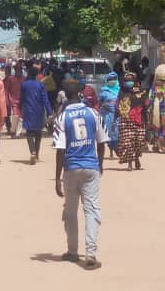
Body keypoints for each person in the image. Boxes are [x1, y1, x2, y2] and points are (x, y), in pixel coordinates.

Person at [54, 78, 109, 269]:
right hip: (91, 167)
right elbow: (102, 141)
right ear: (80, 92)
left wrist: (57, 179)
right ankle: (91, 253)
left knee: (70, 211)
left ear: (64, 95)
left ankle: (72, 251)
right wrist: (99, 164)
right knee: (92, 209)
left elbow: (60, 150)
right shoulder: (93, 113)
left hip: (71, 168)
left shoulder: (62, 117)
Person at [115, 72, 148, 171]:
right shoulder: (121, 92)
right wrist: (115, 117)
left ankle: (137, 157)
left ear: (135, 81)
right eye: (127, 80)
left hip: (139, 120)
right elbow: (117, 105)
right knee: (128, 142)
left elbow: (146, 105)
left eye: (131, 80)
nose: (129, 82)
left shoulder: (141, 92)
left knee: (139, 141)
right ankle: (130, 163)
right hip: (125, 120)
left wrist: (147, 119)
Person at [22, 66, 54, 165]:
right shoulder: (40, 85)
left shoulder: (24, 85)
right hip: (38, 111)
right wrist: (49, 112)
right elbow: (45, 99)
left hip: (28, 110)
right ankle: (37, 155)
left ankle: (32, 152)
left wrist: (19, 109)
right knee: (38, 133)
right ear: (36, 75)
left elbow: (21, 98)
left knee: (29, 132)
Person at [98, 73, 120, 159]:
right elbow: (100, 103)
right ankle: (113, 149)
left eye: (114, 79)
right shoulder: (104, 91)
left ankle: (117, 148)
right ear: (107, 81)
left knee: (118, 133)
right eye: (110, 79)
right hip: (108, 115)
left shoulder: (120, 90)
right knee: (110, 133)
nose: (112, 81)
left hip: (118, 115)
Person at [3, 65, 24, 139]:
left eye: (20, 70)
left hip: (23, 100)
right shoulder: (11, 79)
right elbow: (7, 90)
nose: (19, 72)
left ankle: (17, 133)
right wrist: (7, 100)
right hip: (14, 100)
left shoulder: (24, 79)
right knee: (15, 116)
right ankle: (12, 130)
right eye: (18, 70)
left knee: (21, 118)